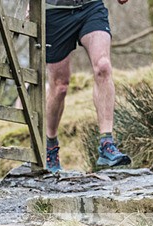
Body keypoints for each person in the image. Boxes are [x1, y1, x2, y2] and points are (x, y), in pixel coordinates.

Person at [45, 0, 131, 172]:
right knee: (60, 86)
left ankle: (107, 143)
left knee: (103, 67)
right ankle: (50, 146)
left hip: (90, 7)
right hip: (55, 11)